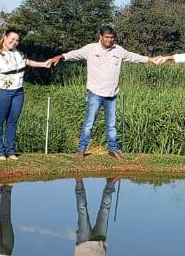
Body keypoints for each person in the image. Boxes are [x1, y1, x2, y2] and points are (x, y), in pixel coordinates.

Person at [50, 25, 160, 160]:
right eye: (106, 37)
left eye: (112, 37)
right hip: (95, 93)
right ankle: (81, 150)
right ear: (100, 37)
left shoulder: (118, 50)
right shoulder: (91, 49)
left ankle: (113, 150)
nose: (109, 40)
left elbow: (133, 56)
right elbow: (74, 54)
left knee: (111, 125)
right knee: (89, 123)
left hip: (112, 95)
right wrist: (60, 57)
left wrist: (150, 59)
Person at [0, 28, 57, 160]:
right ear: (5, 37)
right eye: (12, 39)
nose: (15, 42)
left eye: (17, 40)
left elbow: (27, 62)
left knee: (12, 121)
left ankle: (10, 151)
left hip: (18, 92)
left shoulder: (17, 52)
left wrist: (43, 64)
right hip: (1, 92)